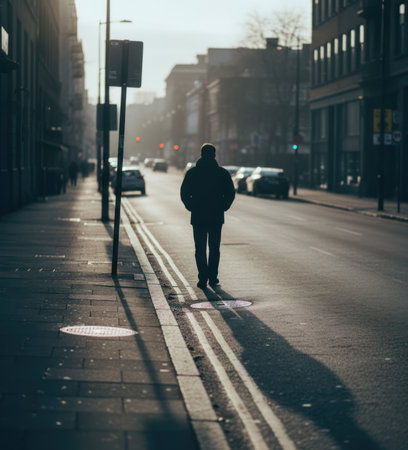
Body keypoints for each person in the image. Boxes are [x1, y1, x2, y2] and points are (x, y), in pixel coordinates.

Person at [180, 143, 235, 289]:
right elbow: (230, 193)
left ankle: (202, 278)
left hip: (198, 215)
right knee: (214, 248)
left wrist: (191, 206)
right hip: (216, 216)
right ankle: (213, 277)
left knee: (200, 249)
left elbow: (184, 193)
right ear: (214, 155)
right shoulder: (222, 173)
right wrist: (224, 206)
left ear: (201, 154)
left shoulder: (193, 173)